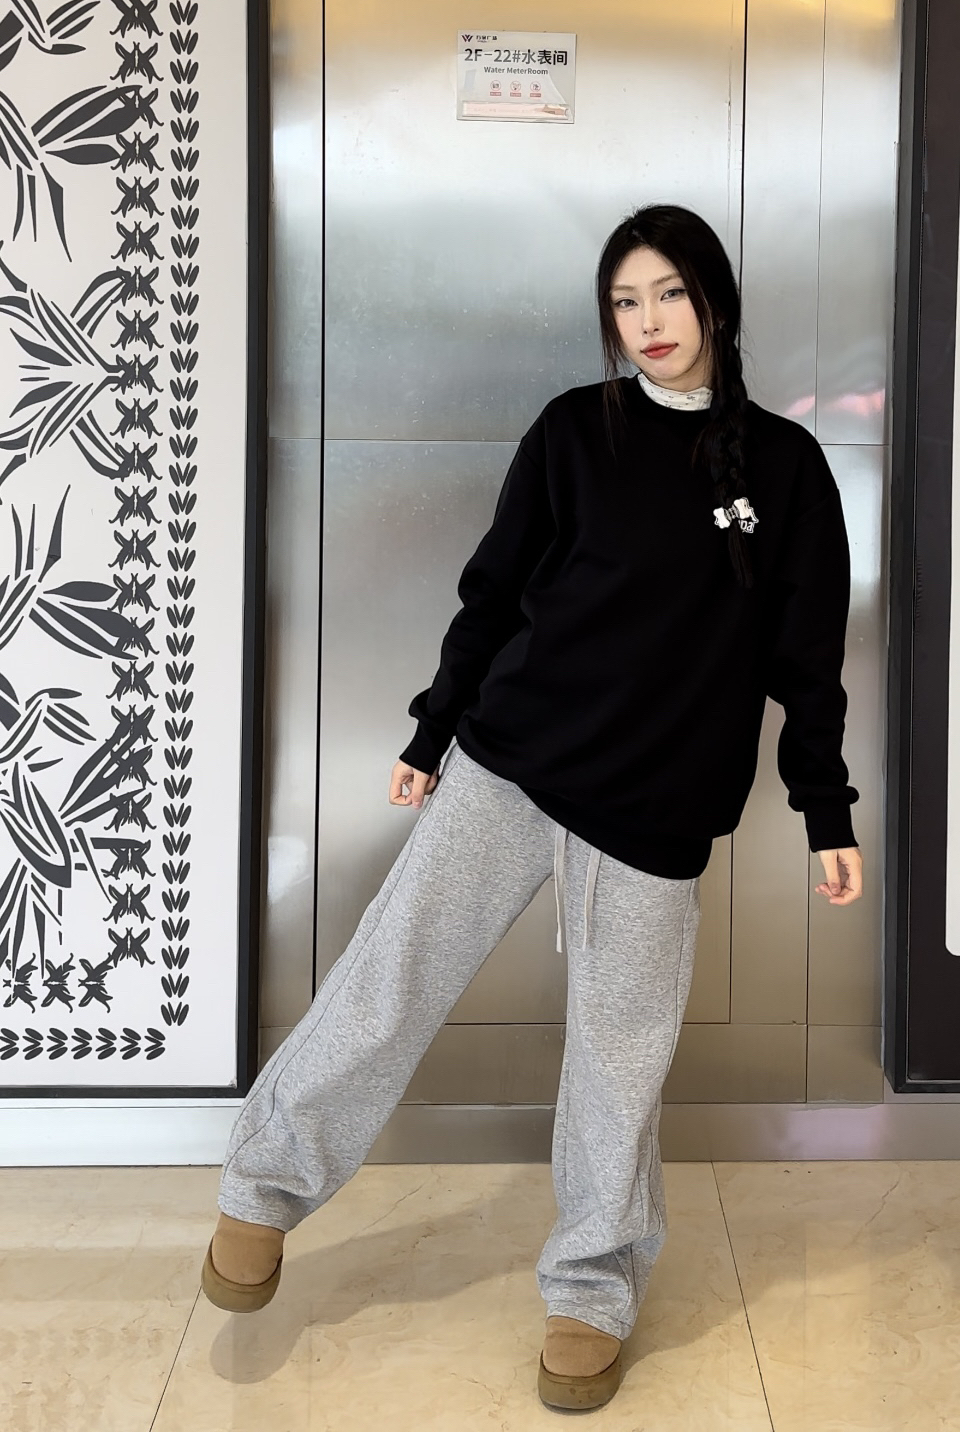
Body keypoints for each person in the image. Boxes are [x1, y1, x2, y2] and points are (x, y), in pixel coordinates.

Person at [200, 204, 863, 1412]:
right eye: (625, 301)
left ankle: (590, 1293)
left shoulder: (786, 467)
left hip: (657, 807)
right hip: (512, 764)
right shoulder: (573, 431)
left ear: (715, 302)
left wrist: (826, 810)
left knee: (618, 1058)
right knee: (393, 975)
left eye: (669, 294)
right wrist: (432, 730)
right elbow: (495, 594)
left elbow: (806, 662)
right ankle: (262, 1188)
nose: (648, 322)